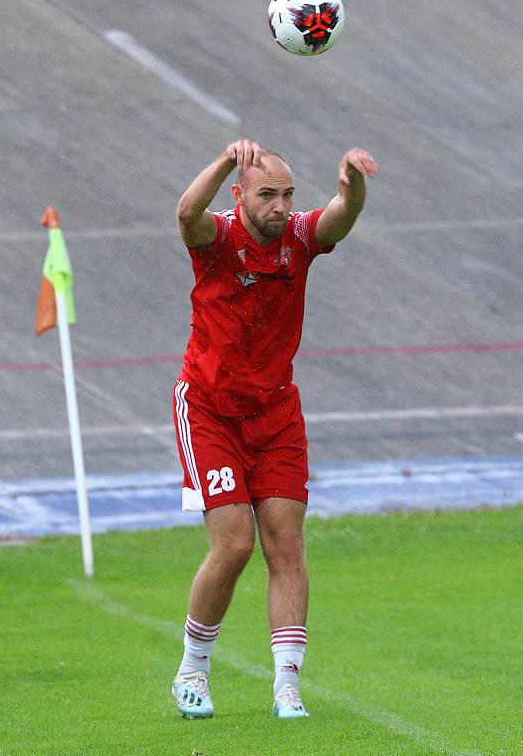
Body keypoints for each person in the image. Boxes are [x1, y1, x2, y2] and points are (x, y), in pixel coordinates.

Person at [171, 139, 378, 719]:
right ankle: (194, 667)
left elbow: (344, 215)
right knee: (234, 544)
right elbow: (186, 214)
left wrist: (349, 184)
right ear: (239, 196)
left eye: (287, 194)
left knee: (285, 543)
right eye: (268, 195)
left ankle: (287, 685)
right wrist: (219, 160)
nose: (281, 206)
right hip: (209, 408)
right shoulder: (217, 238)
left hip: (276, 412)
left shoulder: (300, 241)